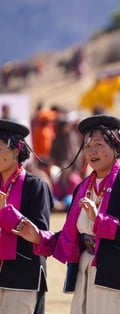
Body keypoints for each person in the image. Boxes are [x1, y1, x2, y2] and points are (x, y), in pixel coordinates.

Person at [14, 115, 120, 314]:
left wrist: (100, 221)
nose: (92, 151)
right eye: (87, 146)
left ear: (116, 147)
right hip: (87, 273)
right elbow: (70, 238)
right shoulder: (83, 187)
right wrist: (38, 236)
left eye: (98, 144)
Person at [0, 119, 53, 314]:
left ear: (15, 151)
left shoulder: (35, 186)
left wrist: (5, 212)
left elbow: (40, 236)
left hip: (22, 278)